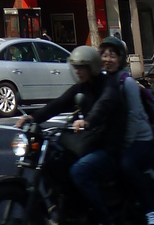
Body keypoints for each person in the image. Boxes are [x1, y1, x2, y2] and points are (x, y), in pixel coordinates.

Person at [17, 44, 125, 225]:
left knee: (79, 171)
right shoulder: (81, 87)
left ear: (92, 67)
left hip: (109, 147)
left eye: (82, 67)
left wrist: (87, 121)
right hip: (91, 142)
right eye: (76, 67)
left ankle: (104, 220)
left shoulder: (108, 86)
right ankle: (64, 207)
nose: (78, 71)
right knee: (53, 160)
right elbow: (58, 103)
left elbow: (103, 106)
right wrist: (32, 118)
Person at [99, 36, 154, 225]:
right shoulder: (102, 81)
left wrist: (124, 145)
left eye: (113, 56)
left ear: (121, 59)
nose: (108, 59)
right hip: (117, 139)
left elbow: (134, 117)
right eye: (104, 55)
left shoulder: (128, 83)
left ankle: (151, 212)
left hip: (140, 140)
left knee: (126, 165)